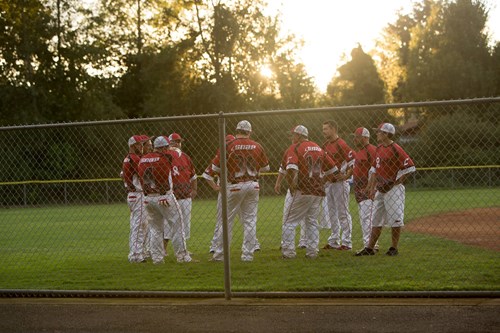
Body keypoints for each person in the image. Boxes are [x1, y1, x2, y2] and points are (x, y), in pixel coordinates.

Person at [210, 120, 270, 262]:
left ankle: (220, 255)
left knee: (226, 221)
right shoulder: (257, 145)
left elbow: (215, 169)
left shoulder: (228, 145)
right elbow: (266, 167)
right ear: (249, 132)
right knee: (250, 221)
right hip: (253, 185)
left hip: (234, 185)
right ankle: (247, 255)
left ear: (237, 131)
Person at [355, 123, 416, 256]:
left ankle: (394, 248)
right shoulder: (379, 148)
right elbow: (374, 170)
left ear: (386, 134)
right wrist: (370, 187)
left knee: (395, 218)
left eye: (379, 132)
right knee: (375, 219)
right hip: (380, 189)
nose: (377, 134)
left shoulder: (396, 149)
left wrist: (397, 181)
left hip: (393, 189)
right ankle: (370, 248)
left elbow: (410, 167)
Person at [280, 125, 337, 259]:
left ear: (299, 136)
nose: (292, 137)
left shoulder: (295, 148)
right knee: (311, 221)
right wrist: (322, 182)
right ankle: (312, 252)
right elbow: (333, 170)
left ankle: (288, 252)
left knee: (289, 222)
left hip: (303, 190)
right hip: (317, 191)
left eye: (293, 135)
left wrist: (291, 185)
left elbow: (290, 169)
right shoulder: (318, 148)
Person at [138, 135, 195, 264]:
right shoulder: (166, 157)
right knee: (177, 225)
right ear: (164, 148)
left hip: (148, 198)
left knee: (155, 229)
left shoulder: (143, 159)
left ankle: (157, 258)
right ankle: (182, 256)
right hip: (164, 196)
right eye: (167, 147)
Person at [322, 120, 355, 250]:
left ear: (333, 129)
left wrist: (346, 176)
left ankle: (347, 242)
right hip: (329, 183)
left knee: (343, 212)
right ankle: (334, 240)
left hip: (340, 183)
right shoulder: (325, 145)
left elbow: (352, 161)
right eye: (323, 129)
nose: (323, 131)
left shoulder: (341, 144)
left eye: (326, 129)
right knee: (332, 213)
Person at [163, 133, 197, 252]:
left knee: (184, 225)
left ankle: (183, 249)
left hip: (185, 195)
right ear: (169, 143)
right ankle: (163, 249)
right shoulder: (165, 156)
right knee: (167, 225)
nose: (177, 143)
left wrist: (194, 189)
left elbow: (193, 176)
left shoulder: (186, 157)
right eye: (174, 141)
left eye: (178, 141)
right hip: (172, 196)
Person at [121, 135, 150, 263]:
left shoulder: (127, 158)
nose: (141, 147)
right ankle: (136, 255)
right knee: (139, 226)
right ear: (133, 146)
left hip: (132, 194)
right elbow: (144, 175)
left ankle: (137, 252)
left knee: (137, 225)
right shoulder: (134, 158)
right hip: (137, 194)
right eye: (139, 145)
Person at [351, 127, 378, 249]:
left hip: (368, 188)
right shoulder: (360, 151)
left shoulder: (371, 150)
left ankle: (370, 245)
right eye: (355, 137)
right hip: (359, 189)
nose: (355, 139)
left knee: (368, 217)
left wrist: (371, 187)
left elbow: (376, 169)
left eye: (357, 137)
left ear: (365, 137)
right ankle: (369, 243)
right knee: (364, 217)